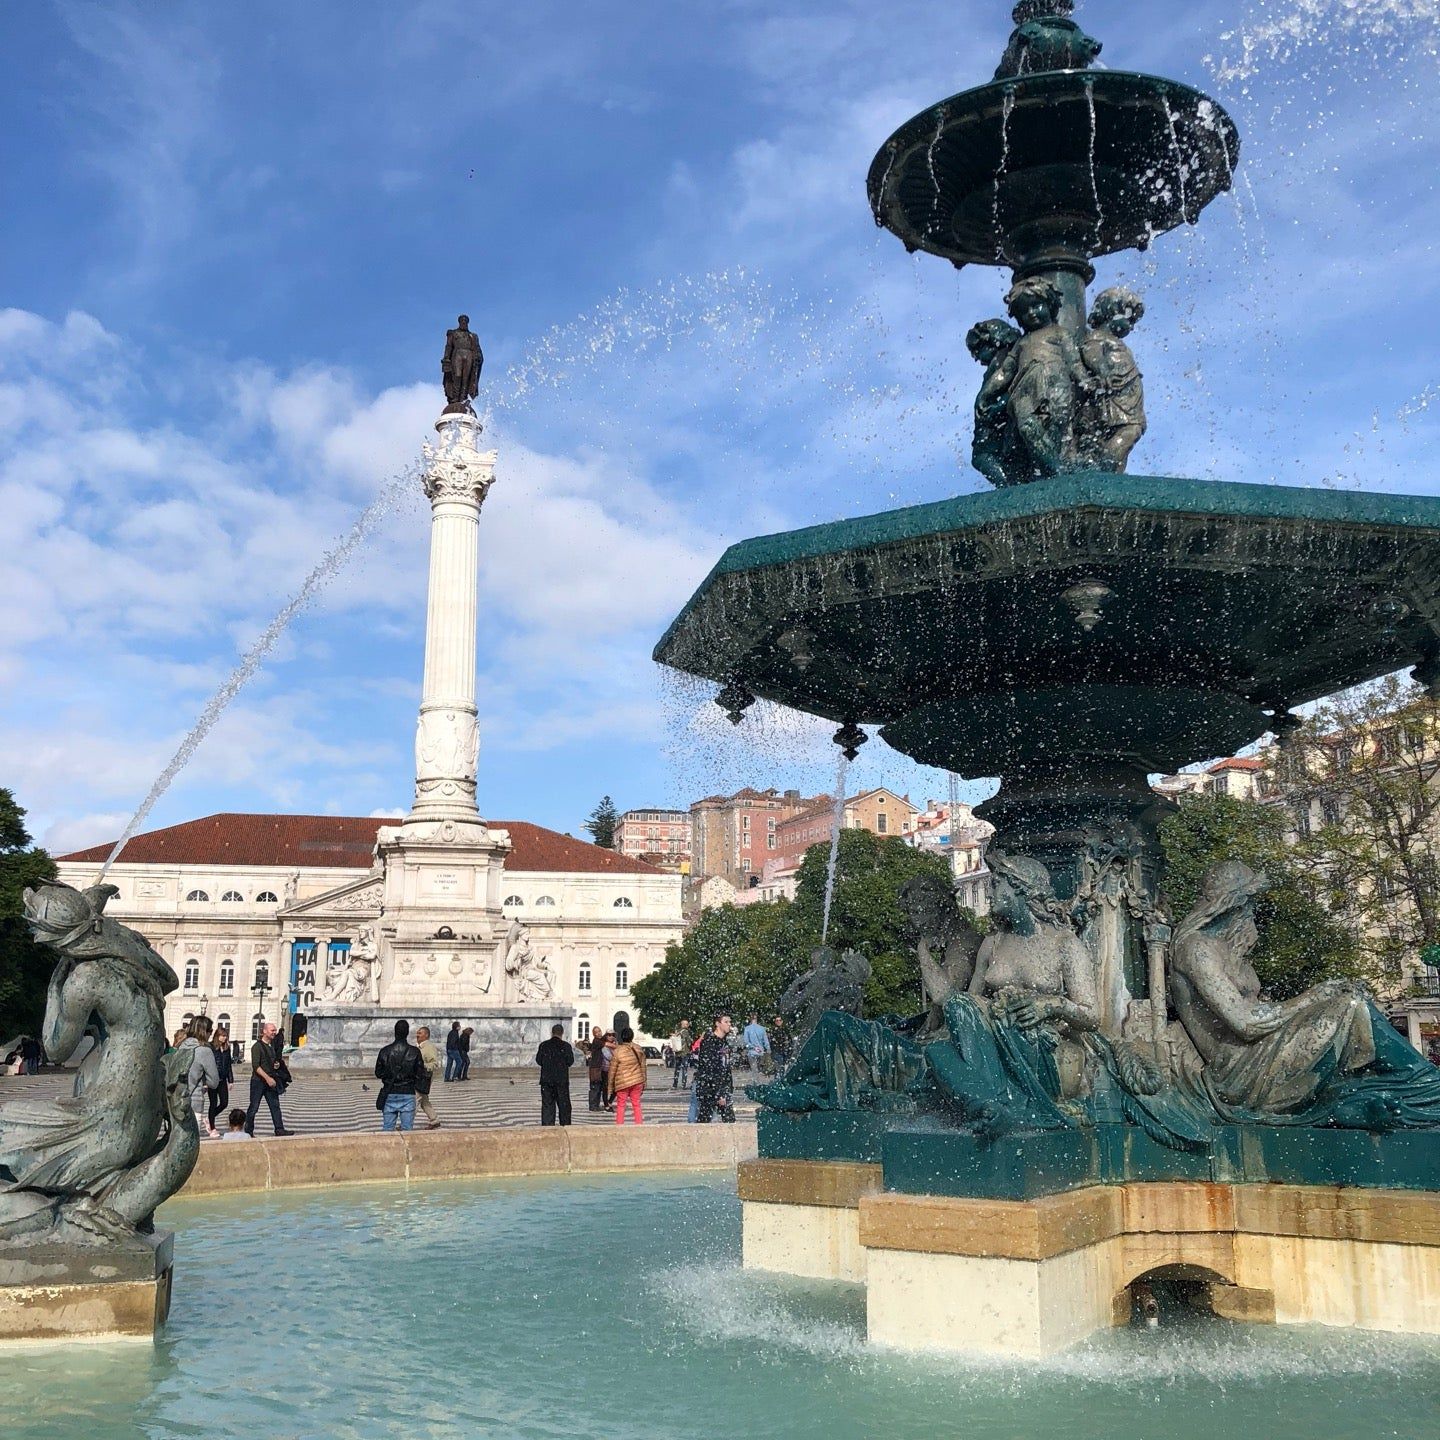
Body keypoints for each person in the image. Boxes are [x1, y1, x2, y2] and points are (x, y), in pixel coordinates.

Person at [374, 1020, 426, 1133]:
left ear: (395, 1032)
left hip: (390, 1092)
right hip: (408, 1093)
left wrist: (389, 1075)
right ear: (407, 1033)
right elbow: (420, 1074)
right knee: (407, 1130)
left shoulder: (384, 1051)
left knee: (387, 1128)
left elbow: (378, 1073)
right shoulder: (415, 1052)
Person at [244, 1022, 294, 1137]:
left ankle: (279, 1129)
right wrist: (267, 1078)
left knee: (275, 1106)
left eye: (275, 1030)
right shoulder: (257, 1047)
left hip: (270, 1080)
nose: (274, 1032)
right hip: (258, 1081)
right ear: (265, 1031)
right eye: (272, 1030)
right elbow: (256, 1066)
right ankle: (248, 1131)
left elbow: (270, 1063)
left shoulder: (271, 1046)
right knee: (254, 1107)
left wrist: (275, 1066)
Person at [181, 1016, 221, 1137]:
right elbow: (214, 1082)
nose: (211, 1034)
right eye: (210, 1031)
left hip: (176, 1102)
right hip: (193, 1100)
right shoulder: (204, 1051)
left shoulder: (181, 1047)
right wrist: (204, 1081)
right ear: (205, 1032)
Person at [694, 1015, 736, 1123]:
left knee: (730, 1121)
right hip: (709, 1088)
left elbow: (725, 1067)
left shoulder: (724, 1042)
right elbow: (709, 1069)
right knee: (704, 1120)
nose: (729, 1024)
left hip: (722, 1086)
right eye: (726, 1022)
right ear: (717, 1024)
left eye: (730, 1022)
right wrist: (719, 1094)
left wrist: (728, 1087)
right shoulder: (710, 1042)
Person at [535, 1023, 575, 1126]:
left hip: (547, 1080)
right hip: (561, 1081)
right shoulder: (566, 1046)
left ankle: (548, 1127)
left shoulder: (544, 1045)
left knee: (548, 1105)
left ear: (552, 1032)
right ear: (562, 1033)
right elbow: (570, 1061)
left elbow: (539, 1060)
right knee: (564, 1105)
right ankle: (565, 1126)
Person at [606, 1026, 647, 1125]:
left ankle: (620, 1126)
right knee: (636, 1104)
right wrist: (644, 1081)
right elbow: (643, 1067)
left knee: (621, 1105)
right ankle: (639, 1125)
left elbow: (612, 1070)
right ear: (632, 1037)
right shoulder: (638, 1049)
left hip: (622, 1082)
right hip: (637, 1081)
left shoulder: (618, 1051)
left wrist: (610, 1087)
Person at [413, 1025, 442, 1129]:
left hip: (423, 1077)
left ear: (426, 1035)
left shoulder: (429, 1047)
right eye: (417, 1033)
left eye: (420, 1033)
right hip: (418, 1076)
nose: (417, 1035)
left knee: (415, 1100)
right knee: (424, 1100)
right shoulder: (419, 1047)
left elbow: (434, 1063)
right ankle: (434, 1120)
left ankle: (406, 1123)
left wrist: (421, 1066)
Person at [209, 1025, 234, 1137]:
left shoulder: (227, 1048)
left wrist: (231, 1080)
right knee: (213, 1102)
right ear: (217, 1036)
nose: (224, 1038)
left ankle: (210, 1117)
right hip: (213, 1079)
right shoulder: (211, 1047)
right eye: (222, 1036)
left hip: (223, 1079)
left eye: (225, 1036)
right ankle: (212, 1126)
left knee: (224, 1103)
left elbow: (229, 1065)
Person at [586, 1034, 606, 1112]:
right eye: (597, 1032)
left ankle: (595, 1105)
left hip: (597, 1069)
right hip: (595, 1070)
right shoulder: (597, 1041)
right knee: (595, 1088)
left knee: (597, 1088)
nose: (599, 1033)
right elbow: (605, 1043)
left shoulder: (597, 1042)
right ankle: (593, 1105)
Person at [671, 1021, 693, 1089]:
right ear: (683, 1024)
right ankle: (683, 1084)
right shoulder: (685, 1032)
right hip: (684, 1052)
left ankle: (675, 1084)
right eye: (686, 1024)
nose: (687, 1025)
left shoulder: (677, 1031)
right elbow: (689, 1042)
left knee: (677, 1069)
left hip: (678, 1052)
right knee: (684, 1069)